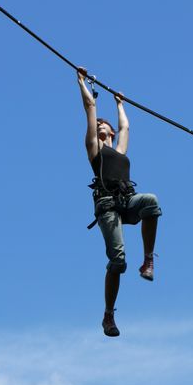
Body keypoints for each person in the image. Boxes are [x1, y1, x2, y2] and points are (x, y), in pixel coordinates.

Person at [77, 68, 162, 337]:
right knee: (118, 261)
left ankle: (148, 260)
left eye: (105, 125)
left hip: (126, 201)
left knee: (151, 201)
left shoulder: (120, 150)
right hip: (106, 205)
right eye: (98, 125)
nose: (101, 126)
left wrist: (120, 104)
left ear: (111, 131)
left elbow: (125, 127)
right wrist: (81, 82)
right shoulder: (95, 148)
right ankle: (108, 316)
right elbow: (90, 106)